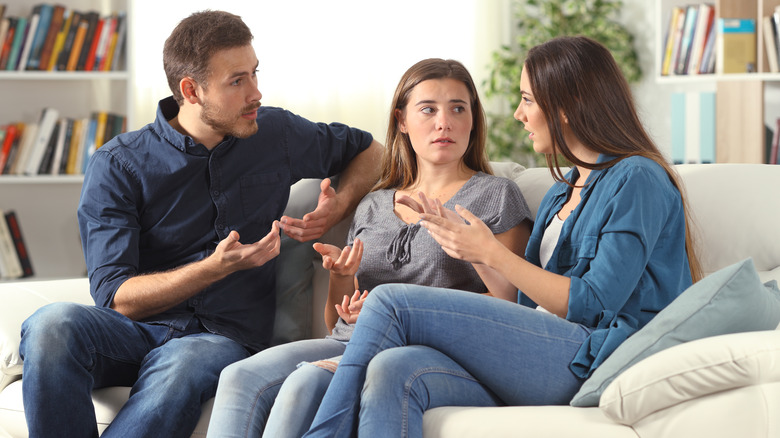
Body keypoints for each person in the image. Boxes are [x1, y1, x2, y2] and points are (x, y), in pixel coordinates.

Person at [301, 36, 704, 438]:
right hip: (542, 347)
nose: (518, 114)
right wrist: (473, 251)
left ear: (567, 105)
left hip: (595, 355)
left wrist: (494, 253)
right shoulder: (562, 191)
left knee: (390, 301)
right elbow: (525, 301)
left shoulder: (636, 177)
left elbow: (595, 304)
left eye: (528, 100)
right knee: (393, 370)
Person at [18, 10, 383, 438]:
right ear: (191, 90)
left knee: (184, 363)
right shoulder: (119, 165)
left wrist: (337, 207)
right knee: (49, 326)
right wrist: (216, 266)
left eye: (254, 73)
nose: (256, 93)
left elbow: (371, 151)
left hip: (221, 338)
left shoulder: (275, 133)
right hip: (135, 331)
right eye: (237, 81)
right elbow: (116, 298)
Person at [205, 58, 533, 438]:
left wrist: (465, 245)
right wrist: (342, 279)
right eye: (428, 109)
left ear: (473, 119)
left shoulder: (496, 195)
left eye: (458, 108)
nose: (444, 122)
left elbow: (510, 310)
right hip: (351, 342)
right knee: (239, 375)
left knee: (304, 383)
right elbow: (336, 323)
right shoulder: (375, 203)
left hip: (420, 353)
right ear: (402, 121)